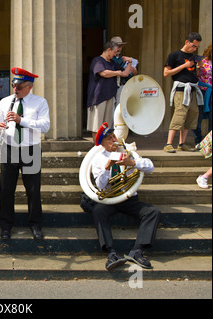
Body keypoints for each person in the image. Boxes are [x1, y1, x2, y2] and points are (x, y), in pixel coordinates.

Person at [91, 123, 161, 270]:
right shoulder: (98, 159)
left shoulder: (128, 151)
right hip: (111, 199)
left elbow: (150, 166)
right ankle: (111, 253)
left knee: (153, 212)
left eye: (114, 136)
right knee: (98, 211)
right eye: (109, 139)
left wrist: (133, 162)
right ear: (102, 143)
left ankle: (137, 251)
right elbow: (101, 186)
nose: (113, 140)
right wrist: (107, 167)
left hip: (129, 198)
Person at [0, 67, 50, 240]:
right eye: (13, 86)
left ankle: (35, 224)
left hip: (30, 149)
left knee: (33, 190)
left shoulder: (40, 102)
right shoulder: (5, 102)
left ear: (29, 86)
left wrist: (21, 120)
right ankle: (5, 225)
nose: (15, 90)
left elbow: (45, 126)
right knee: (6, 189)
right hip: (9, 147)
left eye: (19, 87)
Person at [163, 32, 204, 153]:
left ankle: (182, 143)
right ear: (187, 42)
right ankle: (169, 143)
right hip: (181, 89)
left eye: (197, 47)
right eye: (193, 46)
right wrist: (184, 66)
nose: (194, 49)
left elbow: (193, 74)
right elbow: (166, 73)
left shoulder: (193, 57)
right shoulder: (175, 55)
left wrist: (198, 68)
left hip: (192, 89)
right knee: (179, 114)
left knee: (191, 115)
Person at [87, 41, 133, 140]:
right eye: (115, 52)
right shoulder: (98, 61)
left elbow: (125, 73)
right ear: (108, 50)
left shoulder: (112, 62)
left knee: (106, 126)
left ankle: (104, 146)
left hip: (110, 95)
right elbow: (103, 73)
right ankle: (96, 146)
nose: (116, 54)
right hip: (98, 97)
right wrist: (117, 72)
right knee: (97, 125)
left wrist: (129, 62)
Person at [110, 36, 138, 107]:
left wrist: (134, 73)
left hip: (121, 86)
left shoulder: (125, 59)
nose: (119, 48)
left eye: (121, 46)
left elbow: (128, 77)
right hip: (110, 87)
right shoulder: (108, 58)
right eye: (117, 46)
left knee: (120, 108)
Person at [195, 44, 212, 143]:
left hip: (211, 93)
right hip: (202, 91)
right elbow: (195, 75)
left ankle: (209, 142)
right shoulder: (203, 61)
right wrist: (197, 68)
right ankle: (198, 139)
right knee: (199, 116)